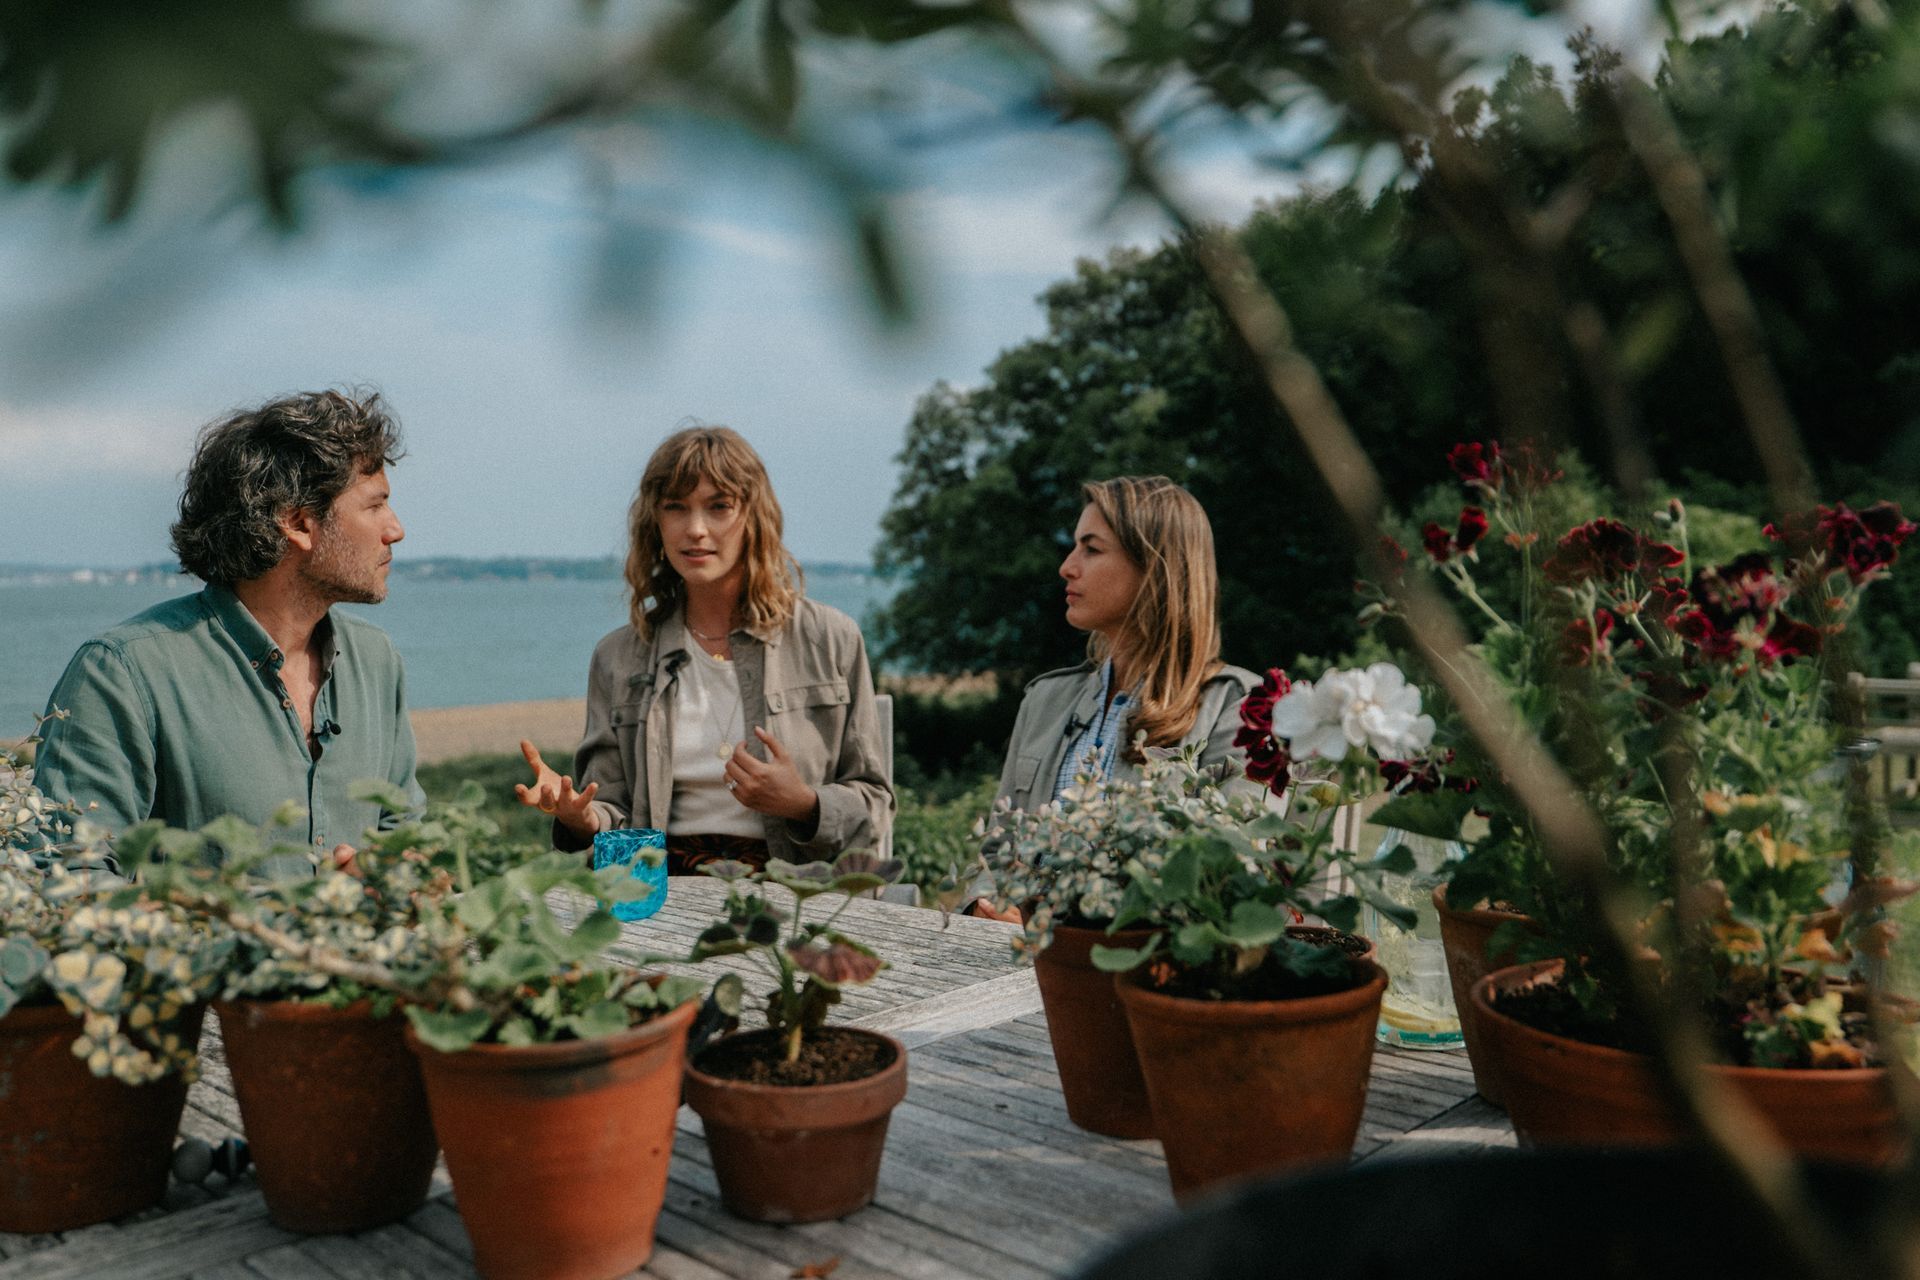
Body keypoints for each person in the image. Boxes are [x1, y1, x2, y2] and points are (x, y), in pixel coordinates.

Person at [34, 390, 424, 876]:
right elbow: (66, 873)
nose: (396, 529)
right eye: (375, 506)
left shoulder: (377, 659)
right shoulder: (123, 672)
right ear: (299, 524)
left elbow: (404, 833)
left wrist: (394, 876)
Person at [517, 425, 892, 872]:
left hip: (797, 898)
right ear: (655, 522)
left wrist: (804, 804)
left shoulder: (832, 639)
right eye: (676, 507)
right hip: (655, 898)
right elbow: (611, 813)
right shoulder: (617, 657)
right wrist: (580, 819)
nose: (696, 529)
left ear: (754, 516)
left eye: (719, 507)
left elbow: (876, 809)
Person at [971, 475, 1257, 920]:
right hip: (1014, 966)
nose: (1067, 566)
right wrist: (983, 905)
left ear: (1155, 569)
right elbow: (994, 851)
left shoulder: (1236, 710)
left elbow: (1235, 882)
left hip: (1143, 974)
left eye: (1092, 548)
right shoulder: (1044, 699)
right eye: (1074, 547)